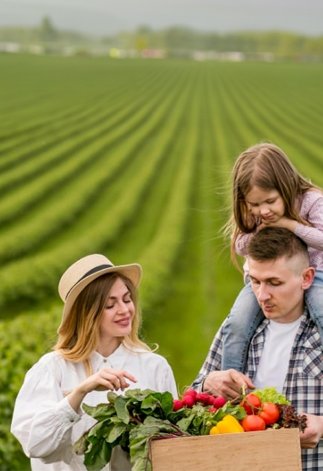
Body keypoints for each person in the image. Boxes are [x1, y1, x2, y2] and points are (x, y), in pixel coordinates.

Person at [11, 254, 178, 471]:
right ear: (87, 314)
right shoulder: (52, 369)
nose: (124, 310)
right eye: (110, 304)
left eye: (127, 299)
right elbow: (36, 445)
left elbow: (172, 446)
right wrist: (79, 393)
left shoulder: (154, 367)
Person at [192, 227, 323, 470]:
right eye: (255, 281)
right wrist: (209, 382)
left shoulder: (318, 333)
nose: (262, 295)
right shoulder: (238, 330)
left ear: (306, 278)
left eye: (274, 283)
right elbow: (192, 397)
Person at [221, 142, 323, 371]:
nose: (264, 210)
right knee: (237, 323)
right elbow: (241, 245)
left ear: (286, 187)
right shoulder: (256, 215)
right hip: (262, 279)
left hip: (317, 274)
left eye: (270, 201)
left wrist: (289, 224)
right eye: (255, 204)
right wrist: (260, 226)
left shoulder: (311, 201)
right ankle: (231, 382)